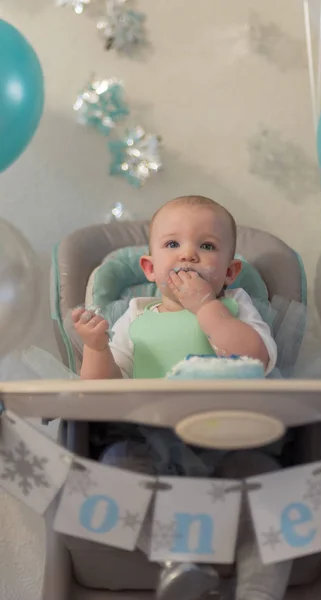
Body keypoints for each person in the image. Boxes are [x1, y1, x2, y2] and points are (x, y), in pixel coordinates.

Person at [72, 195, 291, 600]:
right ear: (150, 268)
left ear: (230, 271)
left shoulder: (236, 306)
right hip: (148, 441)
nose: (189, 254)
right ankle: (181, 560)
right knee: (112, 472)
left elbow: (254, 358)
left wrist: (207, 306)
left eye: (206, 246)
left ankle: (258, 589)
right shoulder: (136, 314)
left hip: (234, 440)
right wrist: (97, 347)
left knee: (276, 490)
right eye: (173, 244)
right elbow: (100, 390)